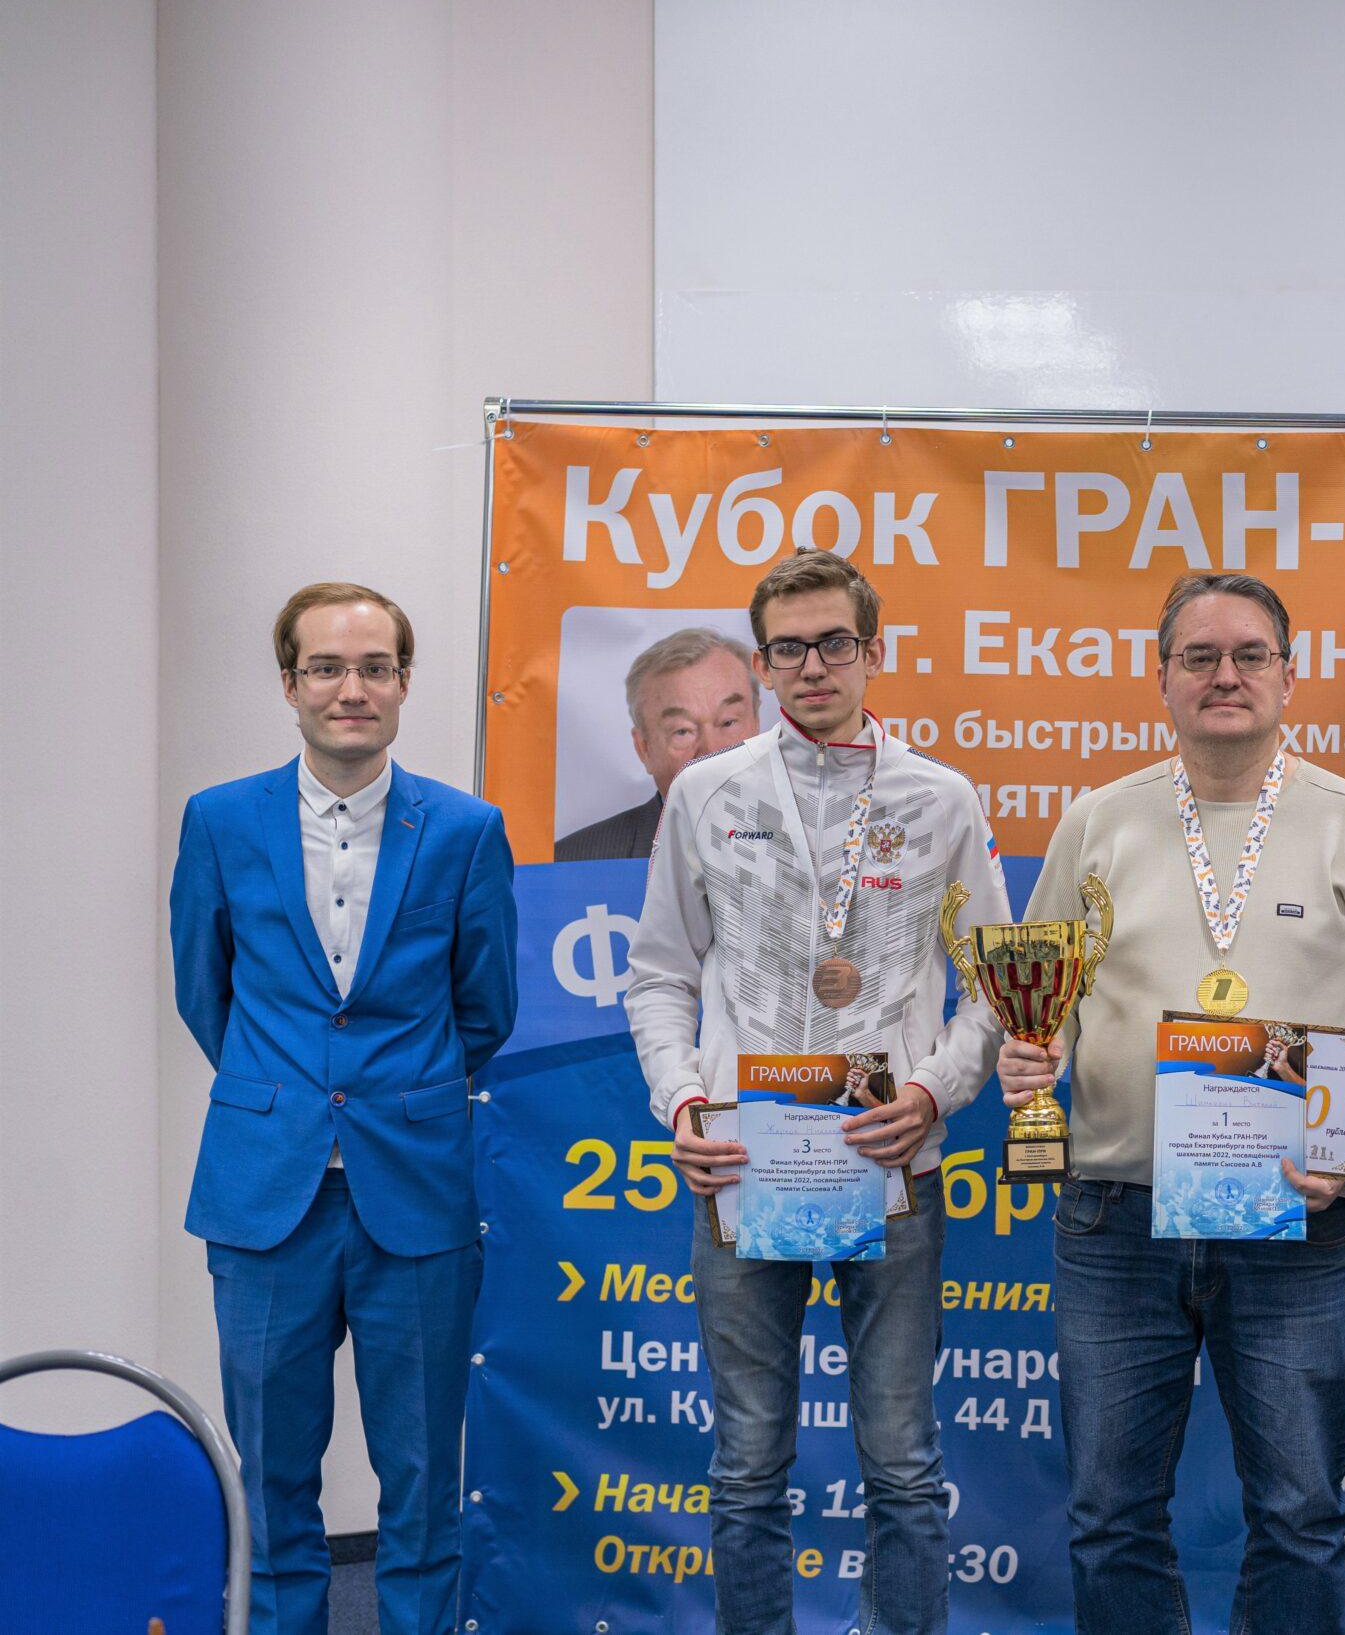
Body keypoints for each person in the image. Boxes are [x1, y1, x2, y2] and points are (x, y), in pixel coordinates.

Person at [994, 571, 1345, 1635]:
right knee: (1109, 1517)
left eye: (1248, 655)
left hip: (1294, 1219)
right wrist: (1031, 1056)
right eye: (1199, 657)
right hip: (1118, 1220)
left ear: (1291, 673)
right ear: (1163, 679)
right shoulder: (1099, 820)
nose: (1224, 675)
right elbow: (1043, 996)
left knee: (1299, 1515)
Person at [625, 548, 1009, 1635]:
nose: (812, 665)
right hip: (742, 1164)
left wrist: (933, 1091)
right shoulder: (706, 793)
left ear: (872, 651)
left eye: (834, 642)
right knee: (747, 1462)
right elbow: (658, 975)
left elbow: (994, 984)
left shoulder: (939, 798)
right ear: (761, 664)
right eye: (787, 648)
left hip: (892, 1162)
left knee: (902, 1462)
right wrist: (683, 1104)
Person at [170, 581, 518, 1635]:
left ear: (404, 683)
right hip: (265, 1193)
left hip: (415, 1191)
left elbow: (486, 1006)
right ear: (290, 684)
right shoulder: (221, 821)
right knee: (272, 1477)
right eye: (326, 667)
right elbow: (204, 990)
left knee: (422, 1482)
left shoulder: (464, 831)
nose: (351, 689)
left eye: (374, 667)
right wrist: (285, 1094)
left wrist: (393, 1096)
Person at [555, 626, 761, 859]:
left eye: (728, 722)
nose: (712, 752)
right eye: (682, 731)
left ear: (756, 723)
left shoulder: (797, 838)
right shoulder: (574, 862)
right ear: (644, 749)